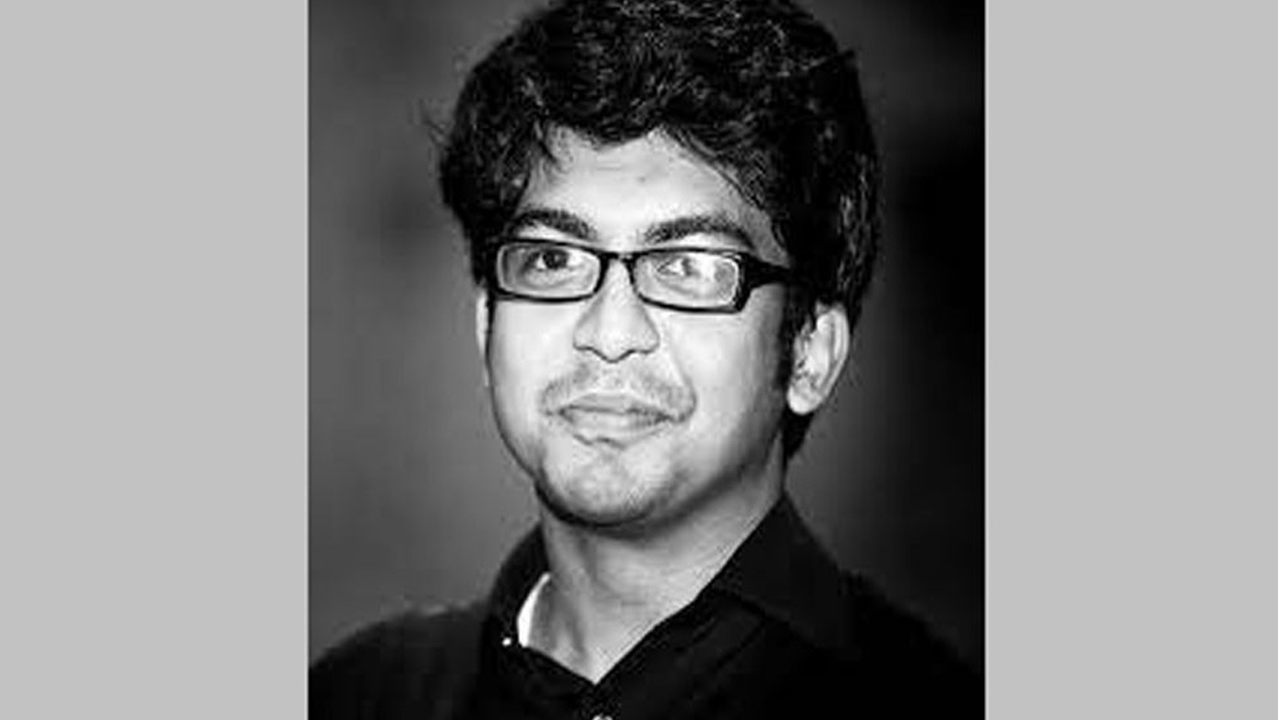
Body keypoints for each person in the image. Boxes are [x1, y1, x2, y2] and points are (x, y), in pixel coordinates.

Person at [311, 0, 980, 717]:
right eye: (553, 259)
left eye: (688, 267)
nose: (609, 331)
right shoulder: (364, 694)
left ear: (810, 354)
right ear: (486, 327)